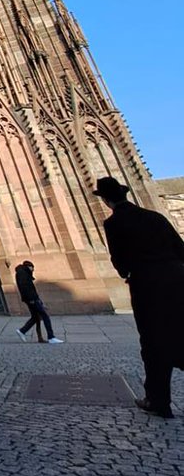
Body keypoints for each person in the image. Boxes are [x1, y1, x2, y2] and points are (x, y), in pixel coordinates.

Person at [97, 175, 184, 419]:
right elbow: (180, 248)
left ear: (105, 200)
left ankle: (158, 401)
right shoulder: (155, 217)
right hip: (177, 279)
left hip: (147, 284)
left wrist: (128, 272)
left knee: (153, 340)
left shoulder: (114, 223)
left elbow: (119, 261)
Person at [14, 261, 62, 344]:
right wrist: (32, 299)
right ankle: (51, 337)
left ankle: (22, 331)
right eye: (32, 268)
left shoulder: (22, 272)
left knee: (35, 317)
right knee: (45, 316)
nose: (33, 270)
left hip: (31, 299)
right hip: (31, 299)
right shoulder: (23, 273)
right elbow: (25, 287)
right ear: (29, 266)